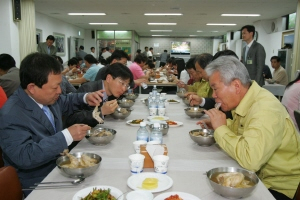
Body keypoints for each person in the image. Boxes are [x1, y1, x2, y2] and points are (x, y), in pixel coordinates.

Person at [197, 56, 300, 200]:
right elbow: (243, 131)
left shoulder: (266, 109)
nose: (213, 95)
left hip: (279, 187)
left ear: (236, 86)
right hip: (260, 177)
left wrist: (220, 129)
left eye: (215, 89)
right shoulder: (247, 100)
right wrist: (223, 124)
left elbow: (251, 160)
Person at [0, 53, 103, 196]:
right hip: (37, 183)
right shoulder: (11, 114)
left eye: (60, 85)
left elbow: (66, 101)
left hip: (59, 169)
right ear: (32, 88)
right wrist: (67, 135)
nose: (59, 91)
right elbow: (25, 156)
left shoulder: (47, 98)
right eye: (55, 88)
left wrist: (86, 98)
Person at [65, 63, 133, 127]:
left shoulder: (113, 94)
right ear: (109, 78)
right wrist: (101, 112)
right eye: (122, 83)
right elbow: (71, 119)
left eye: (127, 85)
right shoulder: (88, 90)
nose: (124, 89)